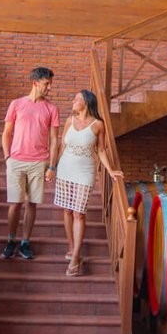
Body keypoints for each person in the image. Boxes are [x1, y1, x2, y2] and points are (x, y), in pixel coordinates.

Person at [53, 89, 123, 276]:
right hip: (65, 169)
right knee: (67, 209)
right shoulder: (69, 121)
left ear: (87, 102)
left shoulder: (98, 124)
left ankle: (76, 257)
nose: (74, 101)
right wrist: (52, 167)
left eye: (77, 99)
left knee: (79, 213)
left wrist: (110, 170)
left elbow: (101, 150)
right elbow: (62, 146)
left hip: (85, 172)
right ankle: (71, 246)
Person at [1, 67, 60, 260]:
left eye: (50, 84)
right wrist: (7, 158)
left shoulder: (52, 109)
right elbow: (7, 133)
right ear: (35, 83)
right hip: (16, 161)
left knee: (32, 203)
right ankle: (11, 240)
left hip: (39, 162)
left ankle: (25, 242)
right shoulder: (16, 104)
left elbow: (54, 140)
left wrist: (52, 166)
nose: (49, 87)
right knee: (15, 203)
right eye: (46, 84)